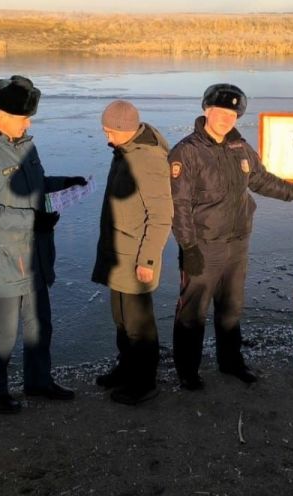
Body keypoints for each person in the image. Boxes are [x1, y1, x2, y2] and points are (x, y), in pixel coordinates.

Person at [168, 83, 293, 390]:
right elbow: (178, 204)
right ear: (206, 110)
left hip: (237, 241)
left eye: (232, 113)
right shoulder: (187, 151)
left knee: (231, 307)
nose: (225, 118)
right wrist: (188, 246)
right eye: (220, 111)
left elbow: (261, 180)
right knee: (193, 311)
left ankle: (231, 362)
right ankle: (188, 371)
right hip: (203, 245)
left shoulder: (240, 148)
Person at [0, 75, 86, 414]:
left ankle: (38, 381)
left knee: (40, 324)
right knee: (3, 332)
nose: (29, 123)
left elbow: (37, 183)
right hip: (5, 258)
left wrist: (64, 183)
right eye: (23, 117)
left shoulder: (24, 145)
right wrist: (33, 221)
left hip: (36, 254)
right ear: (1, 113)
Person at [91, 100, 173, 405]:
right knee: (122, 320)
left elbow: (162, 216)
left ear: (126, 130)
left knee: (139, 326)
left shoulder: (147, 160)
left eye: (110, 131)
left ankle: (144, 382)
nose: (107, 137)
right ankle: (126, 370)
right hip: (118, 254)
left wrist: (147, 261)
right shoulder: (124, 152)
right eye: (105, 130)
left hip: (136, 257)